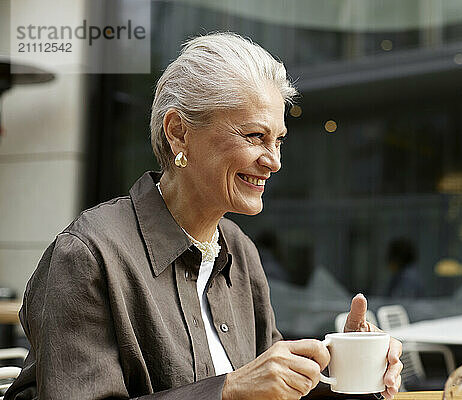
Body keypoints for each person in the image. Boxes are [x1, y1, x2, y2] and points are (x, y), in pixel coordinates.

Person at [5, 32, 402, 400]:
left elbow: (269, 389)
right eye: (254, 136)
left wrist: (351, 369)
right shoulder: (87, 255)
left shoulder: (239, 250)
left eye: (278, 140)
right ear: (178, 132)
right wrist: (227, 391)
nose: (275, 161)